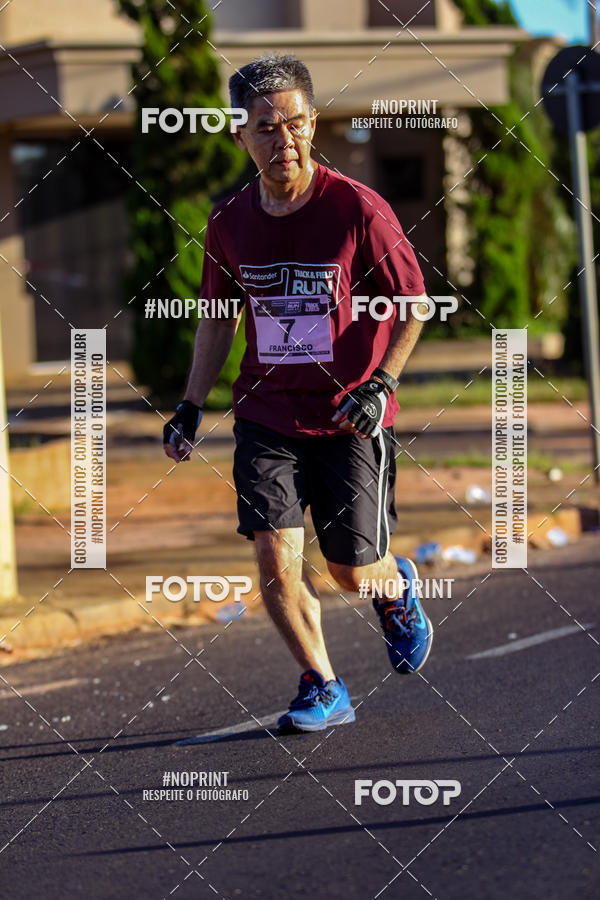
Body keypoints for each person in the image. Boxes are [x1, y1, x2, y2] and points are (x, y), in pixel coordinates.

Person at [163, 54, 433, 734]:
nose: (283, 141)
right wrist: (193, 404)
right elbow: (219, 319)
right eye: (265, 127)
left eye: (296, 124)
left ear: (313, 124)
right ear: (240, 136)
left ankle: (394, 588)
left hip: (350, 416)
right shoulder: (228, 222)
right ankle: (323, 683)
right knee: (273, 553)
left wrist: (381, 383)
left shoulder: (356, 208)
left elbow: (415, 303)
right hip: (267, 413)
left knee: (349, 569)